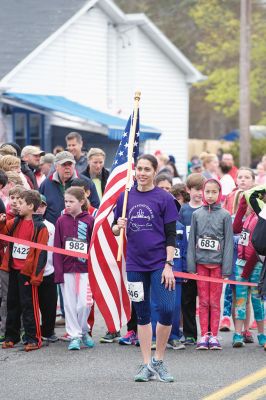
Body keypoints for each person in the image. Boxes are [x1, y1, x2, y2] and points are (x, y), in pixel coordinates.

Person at [112, 154, 178, 383]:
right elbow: (114, 229)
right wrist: (116, 226)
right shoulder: (125, 197)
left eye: (147, 169)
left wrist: (169, 264)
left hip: (160, 263)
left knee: (168, 309)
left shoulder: (164, 198)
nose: (142, 173)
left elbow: (171, 235)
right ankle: (146, 364)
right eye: (139, 168)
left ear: (154, 171)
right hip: (135, 264)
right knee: (141, 314)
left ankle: (159, 360)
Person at [187, 179, 234, 350]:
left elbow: (229, 242)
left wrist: (226, 269)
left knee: (214, 302)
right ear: (203, 192)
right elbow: (192, 240)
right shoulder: (196, 214)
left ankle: (214, 336)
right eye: (208, 192)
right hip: (200, 264)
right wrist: (191, 266)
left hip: (218, 266)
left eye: (214, 192)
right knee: (203, 302)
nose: (210, 195)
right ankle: (203, 336)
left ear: (219, 193)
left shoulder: (225, 215)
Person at [0, 190, 49, 351]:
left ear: (30, 205)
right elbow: (4, 234)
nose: (17, 205)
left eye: (20, 203)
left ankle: (33, 338)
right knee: (12, 304)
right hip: (14, 270)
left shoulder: (40, 227)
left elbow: (41, 254)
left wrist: (36, 276)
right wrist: (1, 223)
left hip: (28, 273)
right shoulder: (14, 222)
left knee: (29, 306)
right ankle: (11, 336)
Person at [53, 187, 94, 351]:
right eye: (66, 201)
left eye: (71, 201)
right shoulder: (61, 221)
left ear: (82, 202)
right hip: (67, 269)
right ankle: (75, 336)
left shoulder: (90, 220)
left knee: (84, 304)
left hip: (85, 269)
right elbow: (57, 246)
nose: (67, 204)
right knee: (69, 305)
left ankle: (84, 330)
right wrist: (58, 271)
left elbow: (93, 246)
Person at [232, 193, 266, 348]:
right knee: (240, 299)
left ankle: (261, 334)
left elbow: (259, 247)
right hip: (240, 263)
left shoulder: (262, 219)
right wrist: (241, 207)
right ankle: (238, 334)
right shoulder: (250, 216)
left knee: (257, 301)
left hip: (255, 265)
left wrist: (247, 269)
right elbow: (236, 228)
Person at [179, 173, 206, 345]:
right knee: (187, 298)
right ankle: (190, 333)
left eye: (202, 190)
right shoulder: (184, 210)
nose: (199, 193)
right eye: (196, 189)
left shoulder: (208, 208)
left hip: (204, 259)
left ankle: (207, 332)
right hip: (188, 260)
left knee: (205, 299)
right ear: (188, 190)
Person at [39, 151, 100, 225]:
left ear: (74, 165)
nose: (67, 167)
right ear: (56, 167)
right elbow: (39, 207)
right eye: (64, 165)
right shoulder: (46, 184)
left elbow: (96, 206)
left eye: (70, 164)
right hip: (52, 230)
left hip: (80, 230)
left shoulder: (86, 182)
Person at [35, 195, 58, 342]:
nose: (39, 208)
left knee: (49, 304)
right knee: (30, 305)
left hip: (48, 270)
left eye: (42, 205)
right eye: (36, 205)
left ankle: (48, 331)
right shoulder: (25, 223)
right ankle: (32, 332)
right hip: (30, 272)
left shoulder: (51, 226)